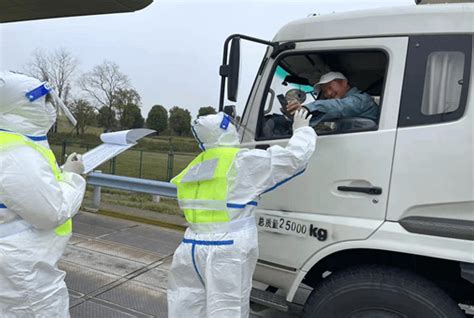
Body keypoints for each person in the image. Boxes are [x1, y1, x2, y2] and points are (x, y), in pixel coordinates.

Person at [167, 109, 316, 317]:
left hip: (190, 248)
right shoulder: (241, 161)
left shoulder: (194, 167)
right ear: (226, 131)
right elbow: (294, 158)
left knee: (186, 306)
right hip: (226, 251)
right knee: (227, 309)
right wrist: (302, 131)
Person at [0, 71, 86, 317]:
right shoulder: (17, 153)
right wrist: (74, 177)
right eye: (46, 101)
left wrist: (59, 174)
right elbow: (52, 211)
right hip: (24, 271)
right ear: (24, 104)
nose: (51, 108)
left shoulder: (12, 142)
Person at [286, 71, 379, 123]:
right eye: (325, 91)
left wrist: (307, 109)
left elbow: (339, 106)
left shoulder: (361, 99)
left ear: (344, 83)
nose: (328, 94)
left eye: (330, 87)